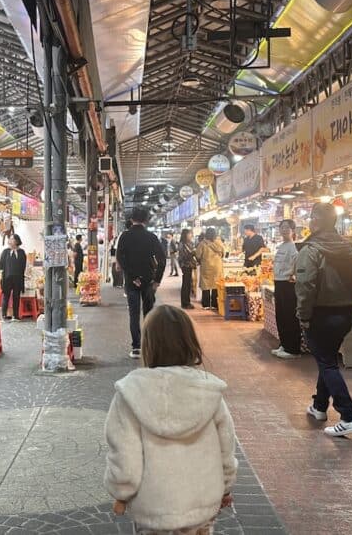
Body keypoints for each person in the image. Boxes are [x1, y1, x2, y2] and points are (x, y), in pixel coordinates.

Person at [104, 305, 238, 534]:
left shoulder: (130, 393)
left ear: (148, 344)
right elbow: (226, 448)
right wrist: (225, 487)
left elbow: (125, 458)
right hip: (201, 506)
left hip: (152, 509)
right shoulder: (209, 391)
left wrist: (121, 493)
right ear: (189, 342)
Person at [296, 203, 352, 437]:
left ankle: (348, 416)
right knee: (327, 358)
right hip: (344, 314)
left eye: (311, 217)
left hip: (320, 314)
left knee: (327, 363)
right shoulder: (350, 250)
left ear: (315, 222)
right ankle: (319, 406)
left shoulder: (311, 250)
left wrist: (303, 315)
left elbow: (305, 285)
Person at [116, 208, 166, 359]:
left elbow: (120, 258)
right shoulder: (151, 237)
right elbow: (162, 260)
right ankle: (150, 345)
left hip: (132, 282)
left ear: (131, 220)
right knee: (149, 314)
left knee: (134, 314)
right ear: (146, 220)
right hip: (148, 280)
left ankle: (136, 347)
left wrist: (132, 277)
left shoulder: (125, 236)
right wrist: (157, 280)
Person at [272, 219, 301, 359]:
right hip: (278, 283)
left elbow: (297, 264)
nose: (284, 230)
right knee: (281, 316)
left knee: (289, 316)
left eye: (287, 228)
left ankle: (293, 349)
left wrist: (294, 276)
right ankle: (284, 344)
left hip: (288, 284)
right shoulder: (281, 246)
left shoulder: (293, 247)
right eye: (282, 227)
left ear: (293, 230)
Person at [196, 228, 225, 311]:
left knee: (206, 285)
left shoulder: (202, 243)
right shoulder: (219, 242)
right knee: (216, 284)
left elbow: (198, 255)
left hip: (206, 266)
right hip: (217, 267)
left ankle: (206, 304)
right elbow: (224, 253)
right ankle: (215, 304)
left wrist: (200, 260)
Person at [0, 234, 27, 322]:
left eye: (12, 239)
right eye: (10, 239)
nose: (10, 240)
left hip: (18, 278)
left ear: (16, 241)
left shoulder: (21, 252)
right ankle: (4, 315)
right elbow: (1, 265)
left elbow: (23, 265)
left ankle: (16, 315)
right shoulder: (5, 252)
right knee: (6, 296)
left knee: (16, 296)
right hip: (7, 278)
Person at [177, 229, 197, 309]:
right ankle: (185, 303)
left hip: (189, 265)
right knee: (186, 284)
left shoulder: (189, 243)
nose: (191, 235)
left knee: (188, 284)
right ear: (185, 235)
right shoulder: (182, 244)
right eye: (189, 234)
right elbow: (184, 256)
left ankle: (186, 302)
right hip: (186, 265)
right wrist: (193, 253)